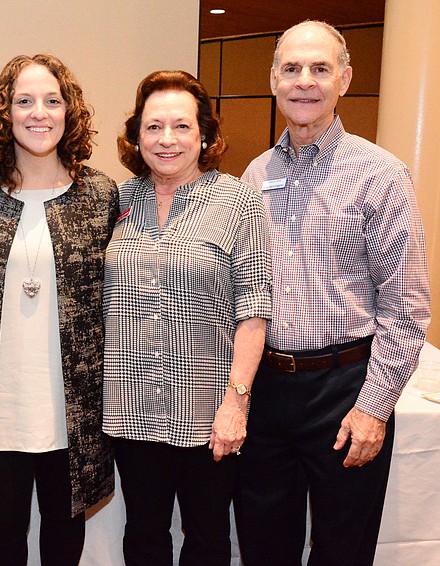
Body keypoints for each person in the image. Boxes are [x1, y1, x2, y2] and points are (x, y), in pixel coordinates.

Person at [235, 20, 431, 566]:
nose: (305, 81)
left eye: (320, 68)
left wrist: (374, 407)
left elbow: (407, 307)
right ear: (274, 78)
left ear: (344, 79)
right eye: (292, 68)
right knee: (262, 548)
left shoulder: (382, 175)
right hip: (268, 392)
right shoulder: (256, 173)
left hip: (345, 390)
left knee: (342, 551)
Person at [0, 54, 117, 566]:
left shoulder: (99, 194)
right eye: (24, 101)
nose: (38, 113)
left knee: (64, 544)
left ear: (70, 111)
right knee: (0, 544)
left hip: (71, 408)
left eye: (52, 100)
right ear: (5, 113)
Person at [102, 70, 271, 565]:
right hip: (132, 407)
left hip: (207, 411)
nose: (167, 139)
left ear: (205, 135)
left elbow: (255, 311)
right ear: (136, 136)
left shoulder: (237, 200)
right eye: (153, 127)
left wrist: (236, 404)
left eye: (181, 126)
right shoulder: (118, 198)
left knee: (207, 538)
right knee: (144, 537)